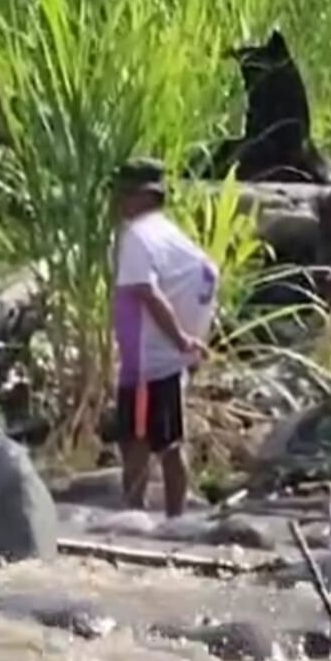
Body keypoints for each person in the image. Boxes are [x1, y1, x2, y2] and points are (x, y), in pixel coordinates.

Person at [109, 158, 219, 519]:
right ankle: (175, 519)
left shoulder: (138, 235)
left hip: (148, 360)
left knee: (138, 440)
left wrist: (181, 338)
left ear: (144, 197)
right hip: (161, 359)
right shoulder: (168, 234)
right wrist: (190, 336)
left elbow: (147, 291)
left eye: (124, 192)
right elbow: (206, 274)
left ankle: (135, 514)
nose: (118, 200)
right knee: (167, 441)